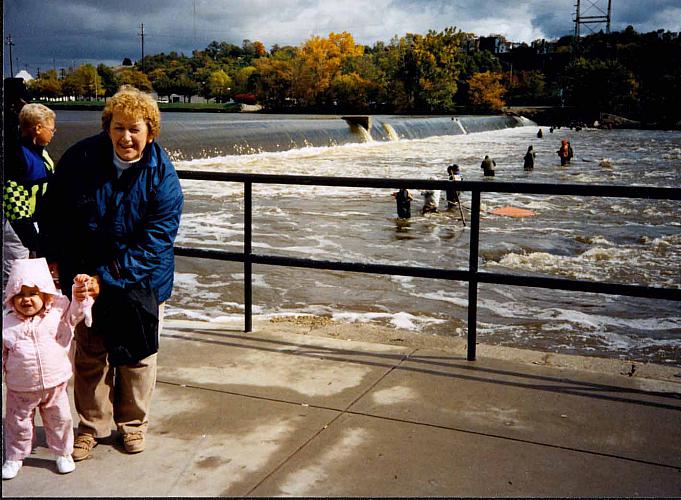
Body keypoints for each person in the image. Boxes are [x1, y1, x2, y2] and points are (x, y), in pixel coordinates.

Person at [40, 86, 184, 461]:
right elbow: (53, 213)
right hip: (86, 278)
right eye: (118, 128)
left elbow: (155, 243)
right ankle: (91, 427)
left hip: (141, 279)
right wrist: (58, 265)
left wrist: (108, 278)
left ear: (150, 131)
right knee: (90, 355)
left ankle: (133, 425)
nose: (126, 138)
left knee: (137, 358)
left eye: (134, 129)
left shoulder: (162, 176)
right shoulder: (80, 158)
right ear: (108, 128)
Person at [2, 258, 93, 479]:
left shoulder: (57, 315)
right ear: (11, 297)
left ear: (45, 295)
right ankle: (14, 456)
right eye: (20, 294)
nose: (26, 300)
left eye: (33, 293)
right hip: (20, 387)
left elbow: (76, 313)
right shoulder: (7, 324)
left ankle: (63, 453)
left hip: (54, 383)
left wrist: (79, 291)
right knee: (17, 423)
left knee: (60, 419)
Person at [3, 100, 56, 285]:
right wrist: (31, 239)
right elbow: (13, 200)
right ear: (38, 128)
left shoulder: (42, 153)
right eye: (51, 129)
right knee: (15, 280)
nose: (53, 133)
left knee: (33, 278)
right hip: (19, 228)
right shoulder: (17, 157)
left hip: (35, 224)